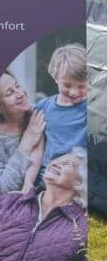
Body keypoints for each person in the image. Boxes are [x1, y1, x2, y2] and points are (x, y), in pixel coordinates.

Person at [0, 71, 46, 200]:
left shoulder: (41, 115)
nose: (20, 94)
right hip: (17, 211)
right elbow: (1, 191)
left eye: (17, 86)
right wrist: (26, 144)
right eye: (9, 93)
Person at [34, 44, 88, 174]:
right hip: (47, 175)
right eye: (67, 85)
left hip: (80, 177)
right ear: (55, 76)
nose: (74, 92)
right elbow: (35, 145)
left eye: (81, 86)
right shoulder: (43, 107)